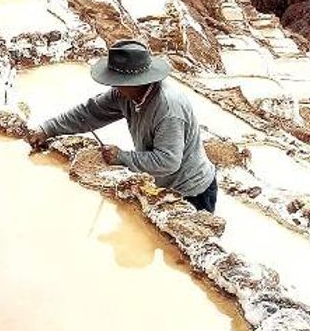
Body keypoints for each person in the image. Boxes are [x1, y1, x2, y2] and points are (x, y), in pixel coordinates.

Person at [28, 40, 219, 212]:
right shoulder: (124, 95)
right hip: (160, 183)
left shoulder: (168, 110)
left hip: (191, 191)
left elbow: (168, 161)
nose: (114, 86)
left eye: (117, 81)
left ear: (136, 82)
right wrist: (48, 129)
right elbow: (89, 113)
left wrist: (122, 157)